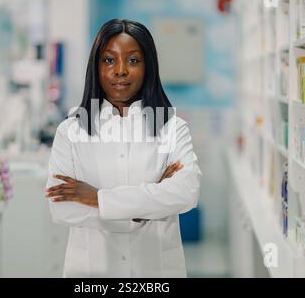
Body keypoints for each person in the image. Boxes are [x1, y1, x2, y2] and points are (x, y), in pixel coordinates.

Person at [45, 19, 202, 278]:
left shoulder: (173, 128)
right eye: (109, 60)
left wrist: (96, 199)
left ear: (148, 67)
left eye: (133, 60)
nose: (120, 71)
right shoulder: (70, 131)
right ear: (95, 66)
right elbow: (62, 208)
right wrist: (145, 212)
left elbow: (186, 193)